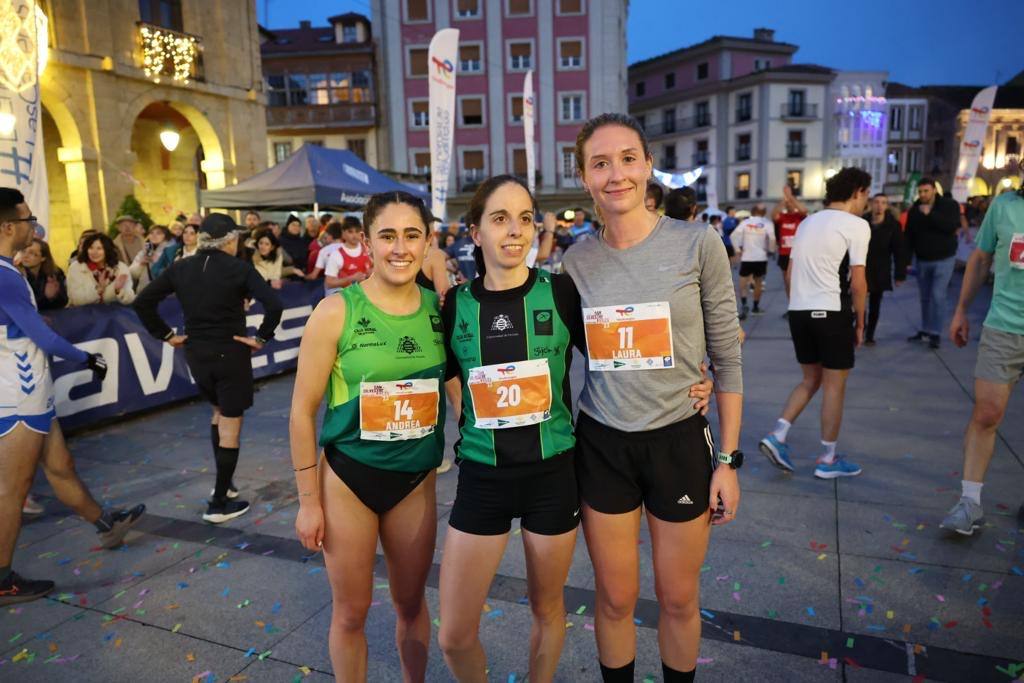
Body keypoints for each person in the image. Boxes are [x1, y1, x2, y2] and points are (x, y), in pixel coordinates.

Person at [564, 114, 742, 683]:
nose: (616, 174)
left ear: (647, 165)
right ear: (584, 177)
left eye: (627, 159)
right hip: (603, 444)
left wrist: (729, 461)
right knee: (614, 600)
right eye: (600, 163)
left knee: (678, 599)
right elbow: (550, 351)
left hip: (679, 442)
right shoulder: (574, 262)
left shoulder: (697, 242)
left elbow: (729, 353)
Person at [290, 191, 444, 682]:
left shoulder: (444, 310)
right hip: (348, 481)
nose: (400, 248)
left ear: (428, 242)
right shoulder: (336, 312)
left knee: (410, 603)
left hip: (415, 481)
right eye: (387, 236)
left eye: (412, 235)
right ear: (367, 241)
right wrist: (307, 501)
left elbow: (468, 389)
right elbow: (300, 412)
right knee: (351, 612)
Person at [437, 176, 583, 682]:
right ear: (474, 232)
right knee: (453, 635)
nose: (515, 230)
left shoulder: (561, 292)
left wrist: (694, 373)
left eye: (525, 218)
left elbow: (616, 355)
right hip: (483, 479)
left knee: (548, 608)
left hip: (553, 475)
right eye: (499, 219)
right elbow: (448, 369)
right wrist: (463, 409)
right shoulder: (455, 304)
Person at [1, 188, 144, 606]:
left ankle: (106, 524)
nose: (35, 226)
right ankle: (2, 578)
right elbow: (41, 335)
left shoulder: (7, 271)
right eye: (28, 219)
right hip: (18, 396)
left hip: (30, 392)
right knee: (13, 490)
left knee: (60, 466)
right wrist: (87, 358)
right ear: (8, 226)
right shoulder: (6, 275)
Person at [133, 214, 283, 523]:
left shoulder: (182, 267)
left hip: (196, 353)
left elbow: (143, 301)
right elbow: (274, 304)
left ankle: (225, 486)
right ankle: (218, 502)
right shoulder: (239, 268)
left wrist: (167, 335)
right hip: (231, 351)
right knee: (230, 424)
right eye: (237, 238)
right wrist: (262, 338)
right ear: (229, 240)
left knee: (218, 413)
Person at [759, 167, 870, 479]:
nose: (866, 201)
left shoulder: (808, 222)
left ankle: (777, 436)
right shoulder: (856, 225)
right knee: (835, 385)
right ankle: (828, 459)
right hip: (832, 312)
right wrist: (860, 322)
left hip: (799, 311)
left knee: (811, 379)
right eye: (866, 195)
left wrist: (798, 305)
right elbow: (859, 283)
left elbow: (790, 272)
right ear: (858, 191)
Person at [942, 180, 1024, 535]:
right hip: (1004, 326)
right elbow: (980, 259)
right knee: (987, 412)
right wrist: (961, 310)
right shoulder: (1005, 205)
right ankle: (970, 503)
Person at [905, 178, 961, 349]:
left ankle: (935, 333)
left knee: (938, 295)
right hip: (922, 260)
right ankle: (926, 329)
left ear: (934, 191)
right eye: (920, 192)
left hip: (944, 259)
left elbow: (951, 226)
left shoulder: (949, 205)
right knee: (925, 297)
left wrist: (931, 214)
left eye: (926, 191)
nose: (922, 195)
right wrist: (907, 260)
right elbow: (909, 235)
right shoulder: (915, 209)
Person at [863, 194, 907, 345]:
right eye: (876, 202)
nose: (879, 206)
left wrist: (900, 274)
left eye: (883, 203)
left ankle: (870, 335)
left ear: (887, 206)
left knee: (875, 303)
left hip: (881, 268)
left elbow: (899, 250)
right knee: (859, 302)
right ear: (871, 204)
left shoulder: (893, 225)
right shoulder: (862, 222)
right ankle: (860, 326)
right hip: (863, 267)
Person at [732, 204, 776, 319]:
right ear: (764, 212)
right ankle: (755, 307)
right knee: (758, 283)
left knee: (743, 282)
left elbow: (733, 236)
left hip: (747, 256)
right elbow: (772, 238)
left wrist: (737, 249)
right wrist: (771, 251)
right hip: (761, 257)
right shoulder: (767, 223)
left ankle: (744, 304)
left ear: (752, 211)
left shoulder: (745, 223)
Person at [67, 233, 136, 306]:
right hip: (84, 313)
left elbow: (130, 298)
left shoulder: (120, 267)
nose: (94, 252)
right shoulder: (76, 267)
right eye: (91, 248)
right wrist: (99, 289)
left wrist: (118, 291)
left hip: (113, 313)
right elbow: (76, 300)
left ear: (107, 250)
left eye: (99, 248)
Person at [770, 184, 808, 301]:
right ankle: (790, 303)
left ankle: (799, 301)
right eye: (788, 203)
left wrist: (791, 197)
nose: (789, 204)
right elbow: (773, 215)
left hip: (798, 253)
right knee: (787, 279)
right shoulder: (782, 217)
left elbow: (804, 210)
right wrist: (784, 200)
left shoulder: (799, 216)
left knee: (798, 279)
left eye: (791, 203)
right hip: (785, 253)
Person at [324, 217, 372, 295]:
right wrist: (351, 278)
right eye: (350, 232)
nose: (355, 235)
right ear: (343, 233)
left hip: (368, 295)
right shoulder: (336, 254)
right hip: (348, 299)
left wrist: (372, 272)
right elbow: (329, 283)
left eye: (357, 231)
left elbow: (375, 268)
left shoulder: (368, 249)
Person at [18, 237, 68, 310]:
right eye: (23, 251)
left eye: (31, 253)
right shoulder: (15, 273)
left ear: (43, 258)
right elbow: (20, 305)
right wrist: (46, 297)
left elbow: (64, 302)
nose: (25, 256)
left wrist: (53, 297)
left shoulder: (55, 273)